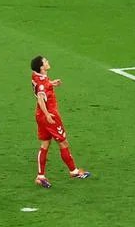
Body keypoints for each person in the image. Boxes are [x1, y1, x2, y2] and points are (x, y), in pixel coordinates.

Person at [30, 55, 91, 188]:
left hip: (39, 115)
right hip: (49, 115)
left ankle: (40, 176)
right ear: (41, 67)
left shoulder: (36, 76)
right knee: (63, 142)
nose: (48, 62)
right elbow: (41, 98)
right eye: (45, 61)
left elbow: (41, 86)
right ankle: (74, 171)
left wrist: (51, 84)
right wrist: (48, 115)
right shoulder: (41, 82)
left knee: (45, 144)